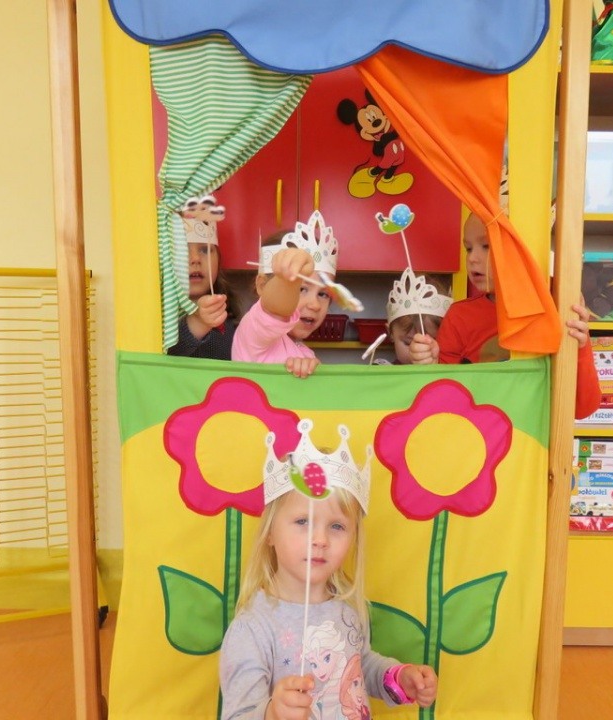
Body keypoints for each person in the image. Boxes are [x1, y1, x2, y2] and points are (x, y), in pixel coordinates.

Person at [219, 420, 438, 720]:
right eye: (302, 521)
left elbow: (360, 666)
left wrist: (398, 677)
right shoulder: (252, 629)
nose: (320, 540)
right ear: (270, 533)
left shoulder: (346, 609)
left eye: (336, 526)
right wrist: (273, 713)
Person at [410, 211, 602, 419]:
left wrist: (580, 347)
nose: (472, 258)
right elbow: (440, 402)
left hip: (535, 435)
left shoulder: (558, 303)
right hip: (480, 433)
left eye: (486, 246)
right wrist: (430, 364)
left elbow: (582, 408)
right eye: (468, 248)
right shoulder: (460, 316)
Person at [232, 211, 340, 379]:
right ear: (262, 285)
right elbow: (276, 309)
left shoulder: (306, 352)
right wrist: (287, 279)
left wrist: (312, 370)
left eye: (323, 294)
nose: (315, 305)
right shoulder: (254, 332)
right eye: (301, 289)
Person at [166, 195, 241, 360]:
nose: (195, 259)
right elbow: (166, 355)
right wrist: (198, 322)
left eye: (205, 250)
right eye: (182, 250)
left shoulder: (232, 318)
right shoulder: (158, 315)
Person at [379, 268, 451, 366]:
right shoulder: (383, 370)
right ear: (390, 333)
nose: (418, 351)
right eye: (408, 342)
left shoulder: (451, 370)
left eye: (432, 341)